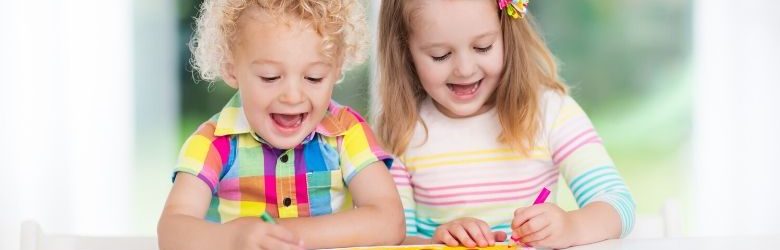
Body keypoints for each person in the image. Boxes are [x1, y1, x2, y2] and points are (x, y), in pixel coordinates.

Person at [376, 0, 636, 248]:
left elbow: (618, 203)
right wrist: (437, 242)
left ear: (506, 35)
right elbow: (391, 238)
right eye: (440, 55)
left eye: (483, 47)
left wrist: (571, 226)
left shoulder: (550, 112)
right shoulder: (402, 130)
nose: (465, 69)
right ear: (405, 51)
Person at [158, 1, 404, 249]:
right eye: (270, 77)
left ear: (336, 67)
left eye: (314, 77)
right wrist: (235, 239)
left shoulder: (347, 132)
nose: (292, 96)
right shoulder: (213, 144)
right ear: (231, 69)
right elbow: (172, 230)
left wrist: (279, 235)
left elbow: (390, 221)